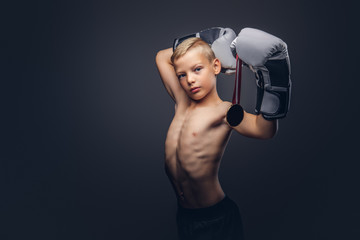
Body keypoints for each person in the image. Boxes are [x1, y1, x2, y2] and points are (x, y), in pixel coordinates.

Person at [155, 27, 291, 240]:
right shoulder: (182, 101)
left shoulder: (223, 111)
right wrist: (210, 39)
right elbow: (162, 57)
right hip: (185, 216)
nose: (189, 79)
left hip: (215, 219)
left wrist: (276, 78)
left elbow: (264, 131)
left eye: (197, 69)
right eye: (182, 74)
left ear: (216, 66)